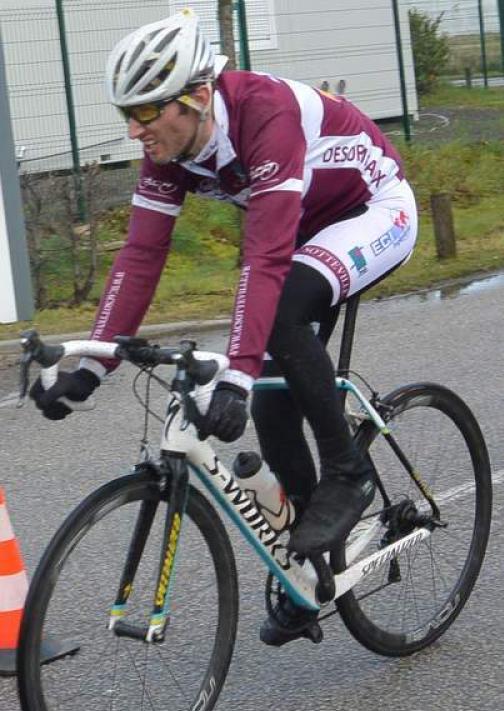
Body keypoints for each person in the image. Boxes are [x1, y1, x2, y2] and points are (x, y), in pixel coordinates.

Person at [30, 9, 418, 646]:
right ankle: (310, 566)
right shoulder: (170, 149)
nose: (134, 130)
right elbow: (141, 255)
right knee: (269, 400)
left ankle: (348, 472)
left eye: (146, 111)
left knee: (278, 320)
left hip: (373, 212)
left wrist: (233, 374)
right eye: (127, 113)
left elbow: (264, 259)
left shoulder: (266, 115)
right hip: (304, 232)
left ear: (198, 95)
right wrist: (92, 367)